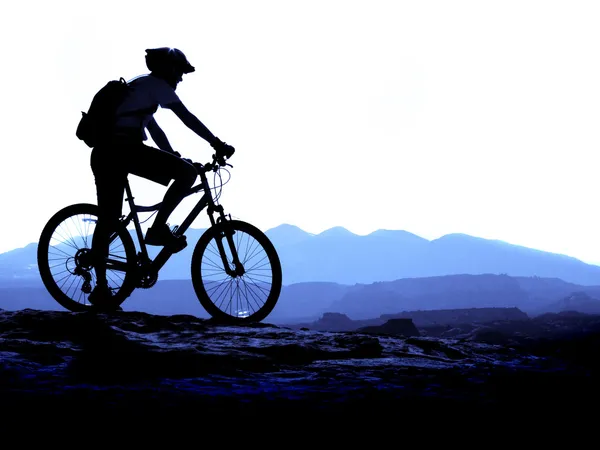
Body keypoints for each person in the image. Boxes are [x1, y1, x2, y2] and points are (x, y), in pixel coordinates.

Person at [88, 47, 235, 308]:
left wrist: (175, 157)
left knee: (109, 218)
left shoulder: (142, 88)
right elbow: (186, 117)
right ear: (168, 69)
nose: (181, 78)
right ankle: (156, 230)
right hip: (120, 151)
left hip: (110, 153)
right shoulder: (155, 85)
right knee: (184, 175)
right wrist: (217, 143)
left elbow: (155, 131)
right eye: (180, 71)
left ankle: (102, 289)